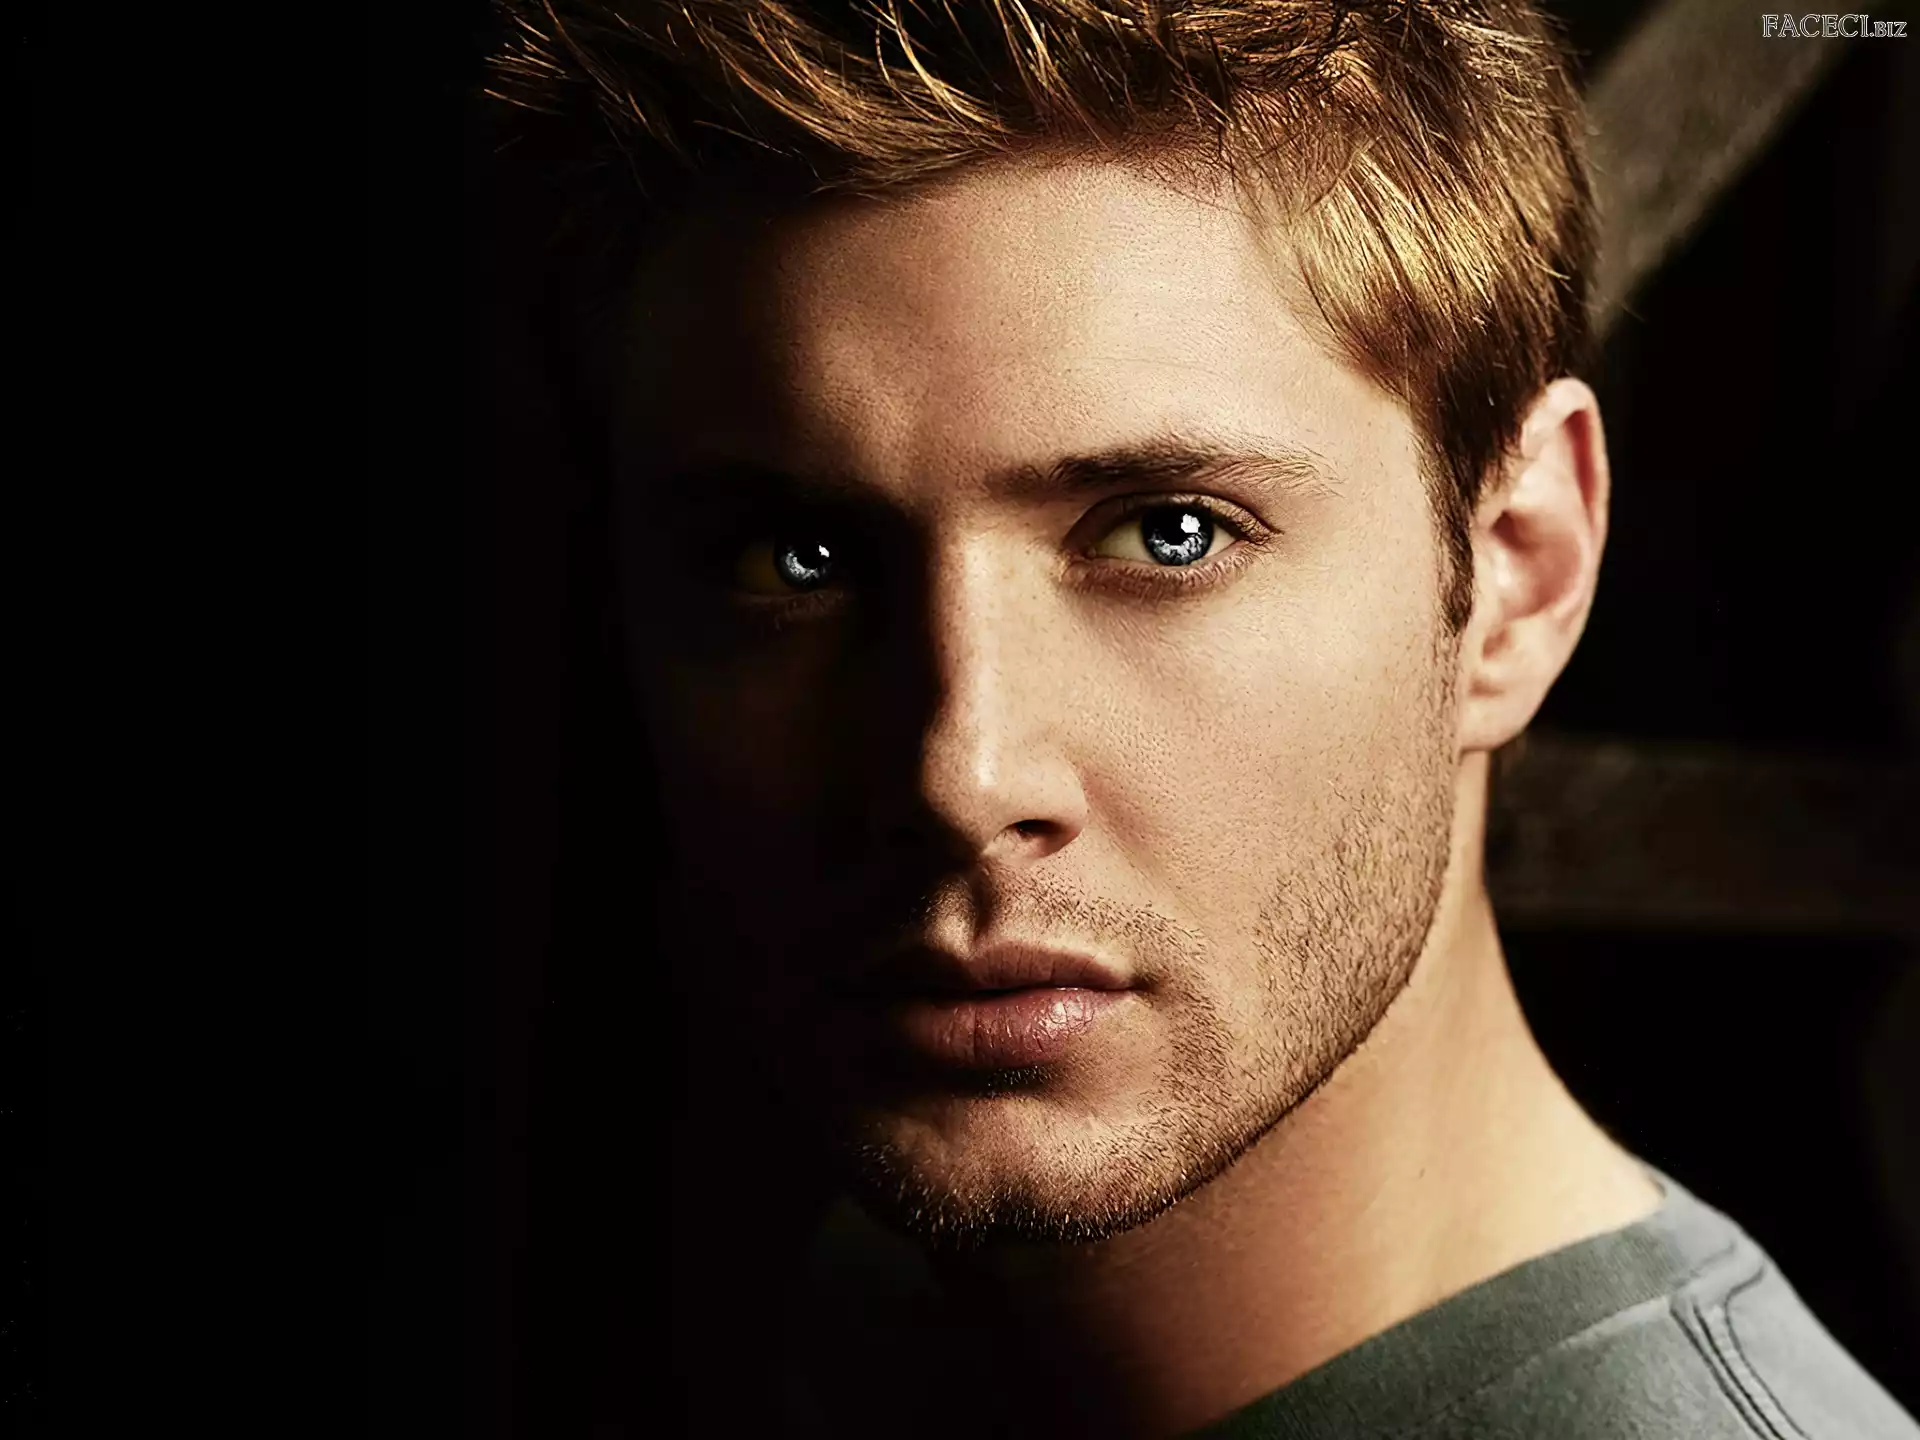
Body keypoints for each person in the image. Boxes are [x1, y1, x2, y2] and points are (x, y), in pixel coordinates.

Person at [483, 2, 1920, 1435]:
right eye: (791, 560)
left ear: (1516, 573)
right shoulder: (865, 1323)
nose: (959, 774)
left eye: (1168, 533)